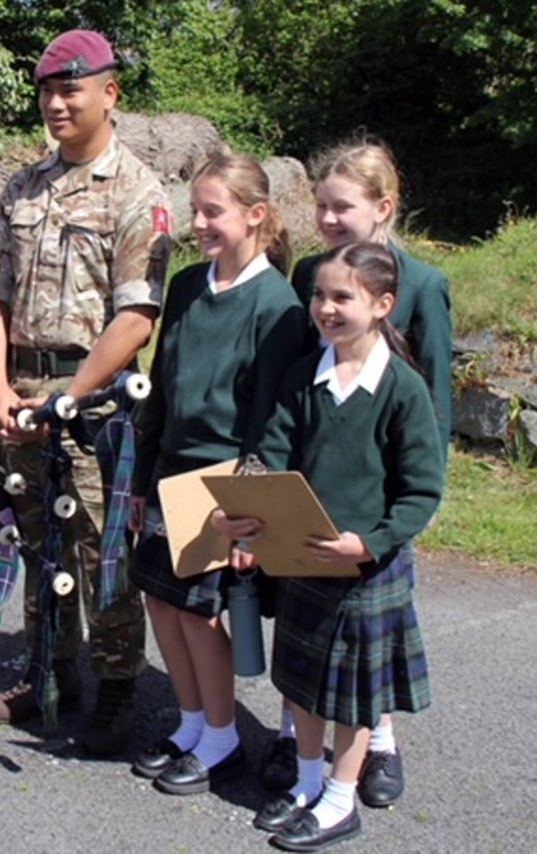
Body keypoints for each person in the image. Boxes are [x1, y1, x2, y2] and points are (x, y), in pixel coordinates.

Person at [0, 28, 172, 756]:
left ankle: (118, 685)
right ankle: (49, 673)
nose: (55, 103)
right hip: (21, 390)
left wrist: (69, 396)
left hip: (94, 405)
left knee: (99, 547)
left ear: (109, 94)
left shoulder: (138, 191)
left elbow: (136, 314)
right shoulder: (22, 187)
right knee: (36, 540)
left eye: (70, 90)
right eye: (47, 91)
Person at [214, 242, 443, 850]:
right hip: (301, 561)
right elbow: (274, 454)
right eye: (318, 294)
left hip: (367, 571)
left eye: (343, 296)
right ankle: (308, 784)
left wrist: (368, 544)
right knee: (301, 682)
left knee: (354, 696)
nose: (325, 307)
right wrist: (245, 509)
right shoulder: (303, 377)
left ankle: (341, 799)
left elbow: (422, 492)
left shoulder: (403, 389)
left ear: (382, 304)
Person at [260, 140, 453, 806]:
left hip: (378, 495)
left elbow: (432, 404)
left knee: (363, 654)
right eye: (320, 204)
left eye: (342, 205)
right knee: (308, 644)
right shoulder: (312, 275)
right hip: (312, 498)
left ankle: (377, 745)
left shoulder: (423, 286)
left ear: (383, 207)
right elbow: (291, 398)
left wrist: (399, 517)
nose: (328, 217)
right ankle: (300, 747)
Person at [128, 155, 307, 795]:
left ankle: (225, 739)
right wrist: (143, 482)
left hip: (224, 481)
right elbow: (164, 391)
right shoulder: (183, 286)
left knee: (199, 615)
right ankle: (193, 723)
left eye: (212, 211)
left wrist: (250, 515)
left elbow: (273, 421)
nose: (196, 223)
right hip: (169, 472)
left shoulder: (278, 305)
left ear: (256, 215)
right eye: (194, 210)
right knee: (162, 603)